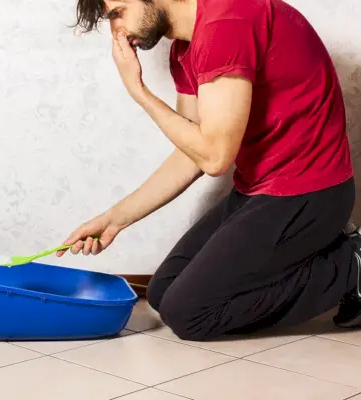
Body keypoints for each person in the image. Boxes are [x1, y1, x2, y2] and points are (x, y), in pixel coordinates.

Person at [57, 0, 361, 341]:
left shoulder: (226, 25)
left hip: (309, 194)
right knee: (162, 292)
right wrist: (114, 220)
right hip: (261, 189)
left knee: (190, 313)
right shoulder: (185, 49)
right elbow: (192, 155)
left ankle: (352, 267)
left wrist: (138, 92)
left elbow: (216, 158)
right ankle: (325, 250)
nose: (117, 31)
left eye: (117, 13)